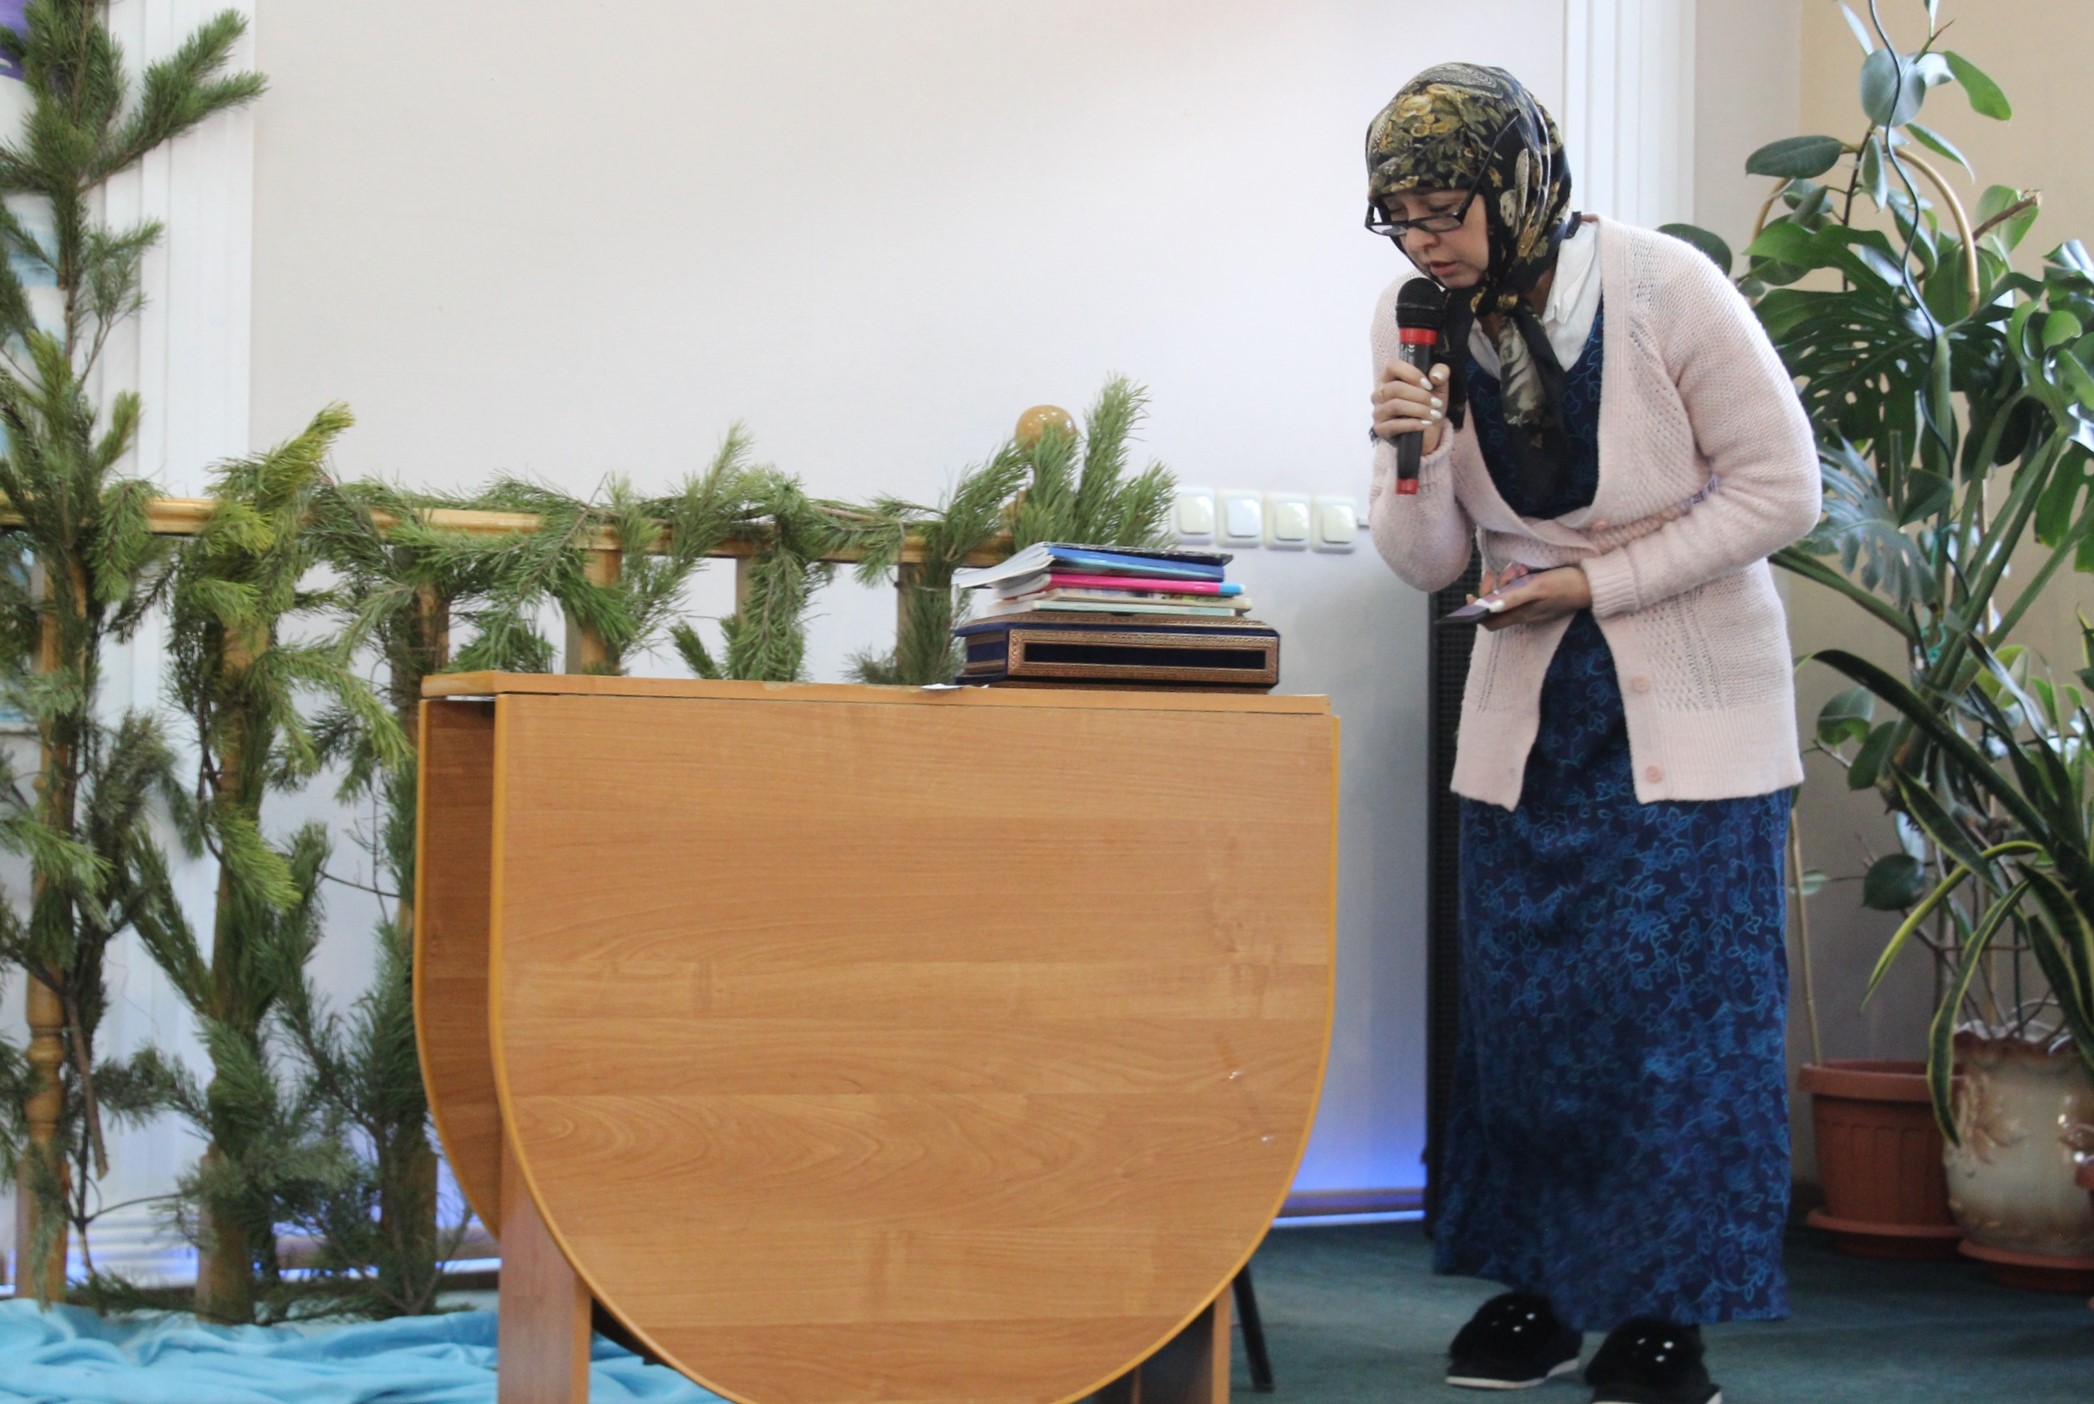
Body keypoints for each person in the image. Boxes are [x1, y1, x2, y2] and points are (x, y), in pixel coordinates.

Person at [1361, 64, 1821, 1404]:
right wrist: (1409, 456)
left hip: (1688, 710)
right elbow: (1426, 558)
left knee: (1676, 1025)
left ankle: (1663, 1316)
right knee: (1527, 1019)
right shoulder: (1413, 318)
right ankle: (1543, 1293)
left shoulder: (1667, 286)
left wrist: (1595, 583)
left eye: (1443, 210)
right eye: (1398, 217)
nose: (1422, 242)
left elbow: (1782, 489)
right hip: (1526, 712)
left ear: (1516, 183)